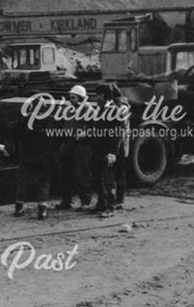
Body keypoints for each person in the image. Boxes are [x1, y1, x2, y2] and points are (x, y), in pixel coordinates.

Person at [10, 95, 56, 221]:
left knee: (23, 182)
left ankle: (19, 208)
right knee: (43, 183)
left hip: (28, 157)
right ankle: (42, 210)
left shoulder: (26, 119)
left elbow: (14, 131)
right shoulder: (51, 120)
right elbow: (57, 138)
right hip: (45, 158)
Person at [89, 84, 127, 218]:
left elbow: (117, 133)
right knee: (97, 178)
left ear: (103, 96)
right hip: (98, 150)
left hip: (107, 151)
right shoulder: (100, 110)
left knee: (108, 179)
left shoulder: (113, 111)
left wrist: (112, 152)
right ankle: (101, 203)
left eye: (97, 95)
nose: (95, 97)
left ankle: (110, 206)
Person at [55, 84, 93, 212]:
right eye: (70, 97)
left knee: (82, 173)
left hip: (82, 146)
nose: (71, 99)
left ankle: (85, 201)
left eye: (74, 97)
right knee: (65, 173)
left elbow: (94, 129)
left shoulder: (88, 111)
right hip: (68, 143)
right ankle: (66, 200)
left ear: (81, 98)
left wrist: (85, 133)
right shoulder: (69, 110)